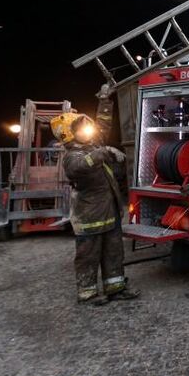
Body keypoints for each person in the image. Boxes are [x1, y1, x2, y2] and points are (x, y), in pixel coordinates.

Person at [50, 85, 139, 306]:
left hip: (109, 212)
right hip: (90, 217)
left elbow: (103, 124)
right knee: (88, 255)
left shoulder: (92, 146)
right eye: (80, 128)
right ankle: (87, 293)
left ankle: (116, 288)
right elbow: (81, 166)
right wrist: (104, 152)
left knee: (113, 252)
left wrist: (105, 100)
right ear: (69, 133)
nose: (86, 130)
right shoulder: (71, 156)